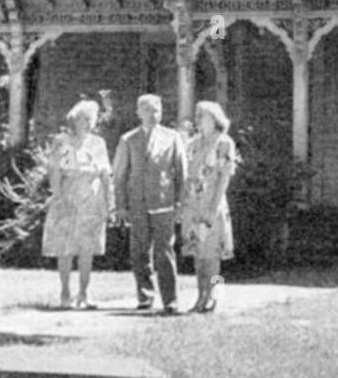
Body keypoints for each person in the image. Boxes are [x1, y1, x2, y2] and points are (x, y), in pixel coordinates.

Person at [112, 94, 187, 315]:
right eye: (147, 110)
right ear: (139, 113)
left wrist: (180, 201)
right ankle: (145, 295)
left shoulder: (172, 137)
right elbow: (119, 175)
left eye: (156, 110)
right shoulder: (128, 139)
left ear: (161, 112)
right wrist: (121, 205)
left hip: (164, 202)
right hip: (137, 203)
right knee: (139, 251)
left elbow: (181, 171)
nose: (152, 114)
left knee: (165, 251)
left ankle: (170, 300)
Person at [42, 100, 113, 309]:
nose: (89, 123)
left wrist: (109, 199)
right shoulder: (67, 142)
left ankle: (84, 293)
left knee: (87, 248)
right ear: (75, 120)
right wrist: (60, 196)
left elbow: (105, 173)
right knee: (66, 247)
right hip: (69, 199)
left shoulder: (97, 143)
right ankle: (65, 293)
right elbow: (64, 172)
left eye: (91, 119)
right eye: (84, 119)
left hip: (92, 200)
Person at [181, 100, 238, 314]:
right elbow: (188, 176)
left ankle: (216, 298)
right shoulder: (193, 144)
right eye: (196, 116)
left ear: (214, 119)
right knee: (198, 255)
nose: (197, 121)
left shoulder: (224, 143)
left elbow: (224, 177)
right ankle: (200, 296)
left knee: (212, 256)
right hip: (193, 206)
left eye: (201, 116)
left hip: (212, 204)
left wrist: (213, 207)